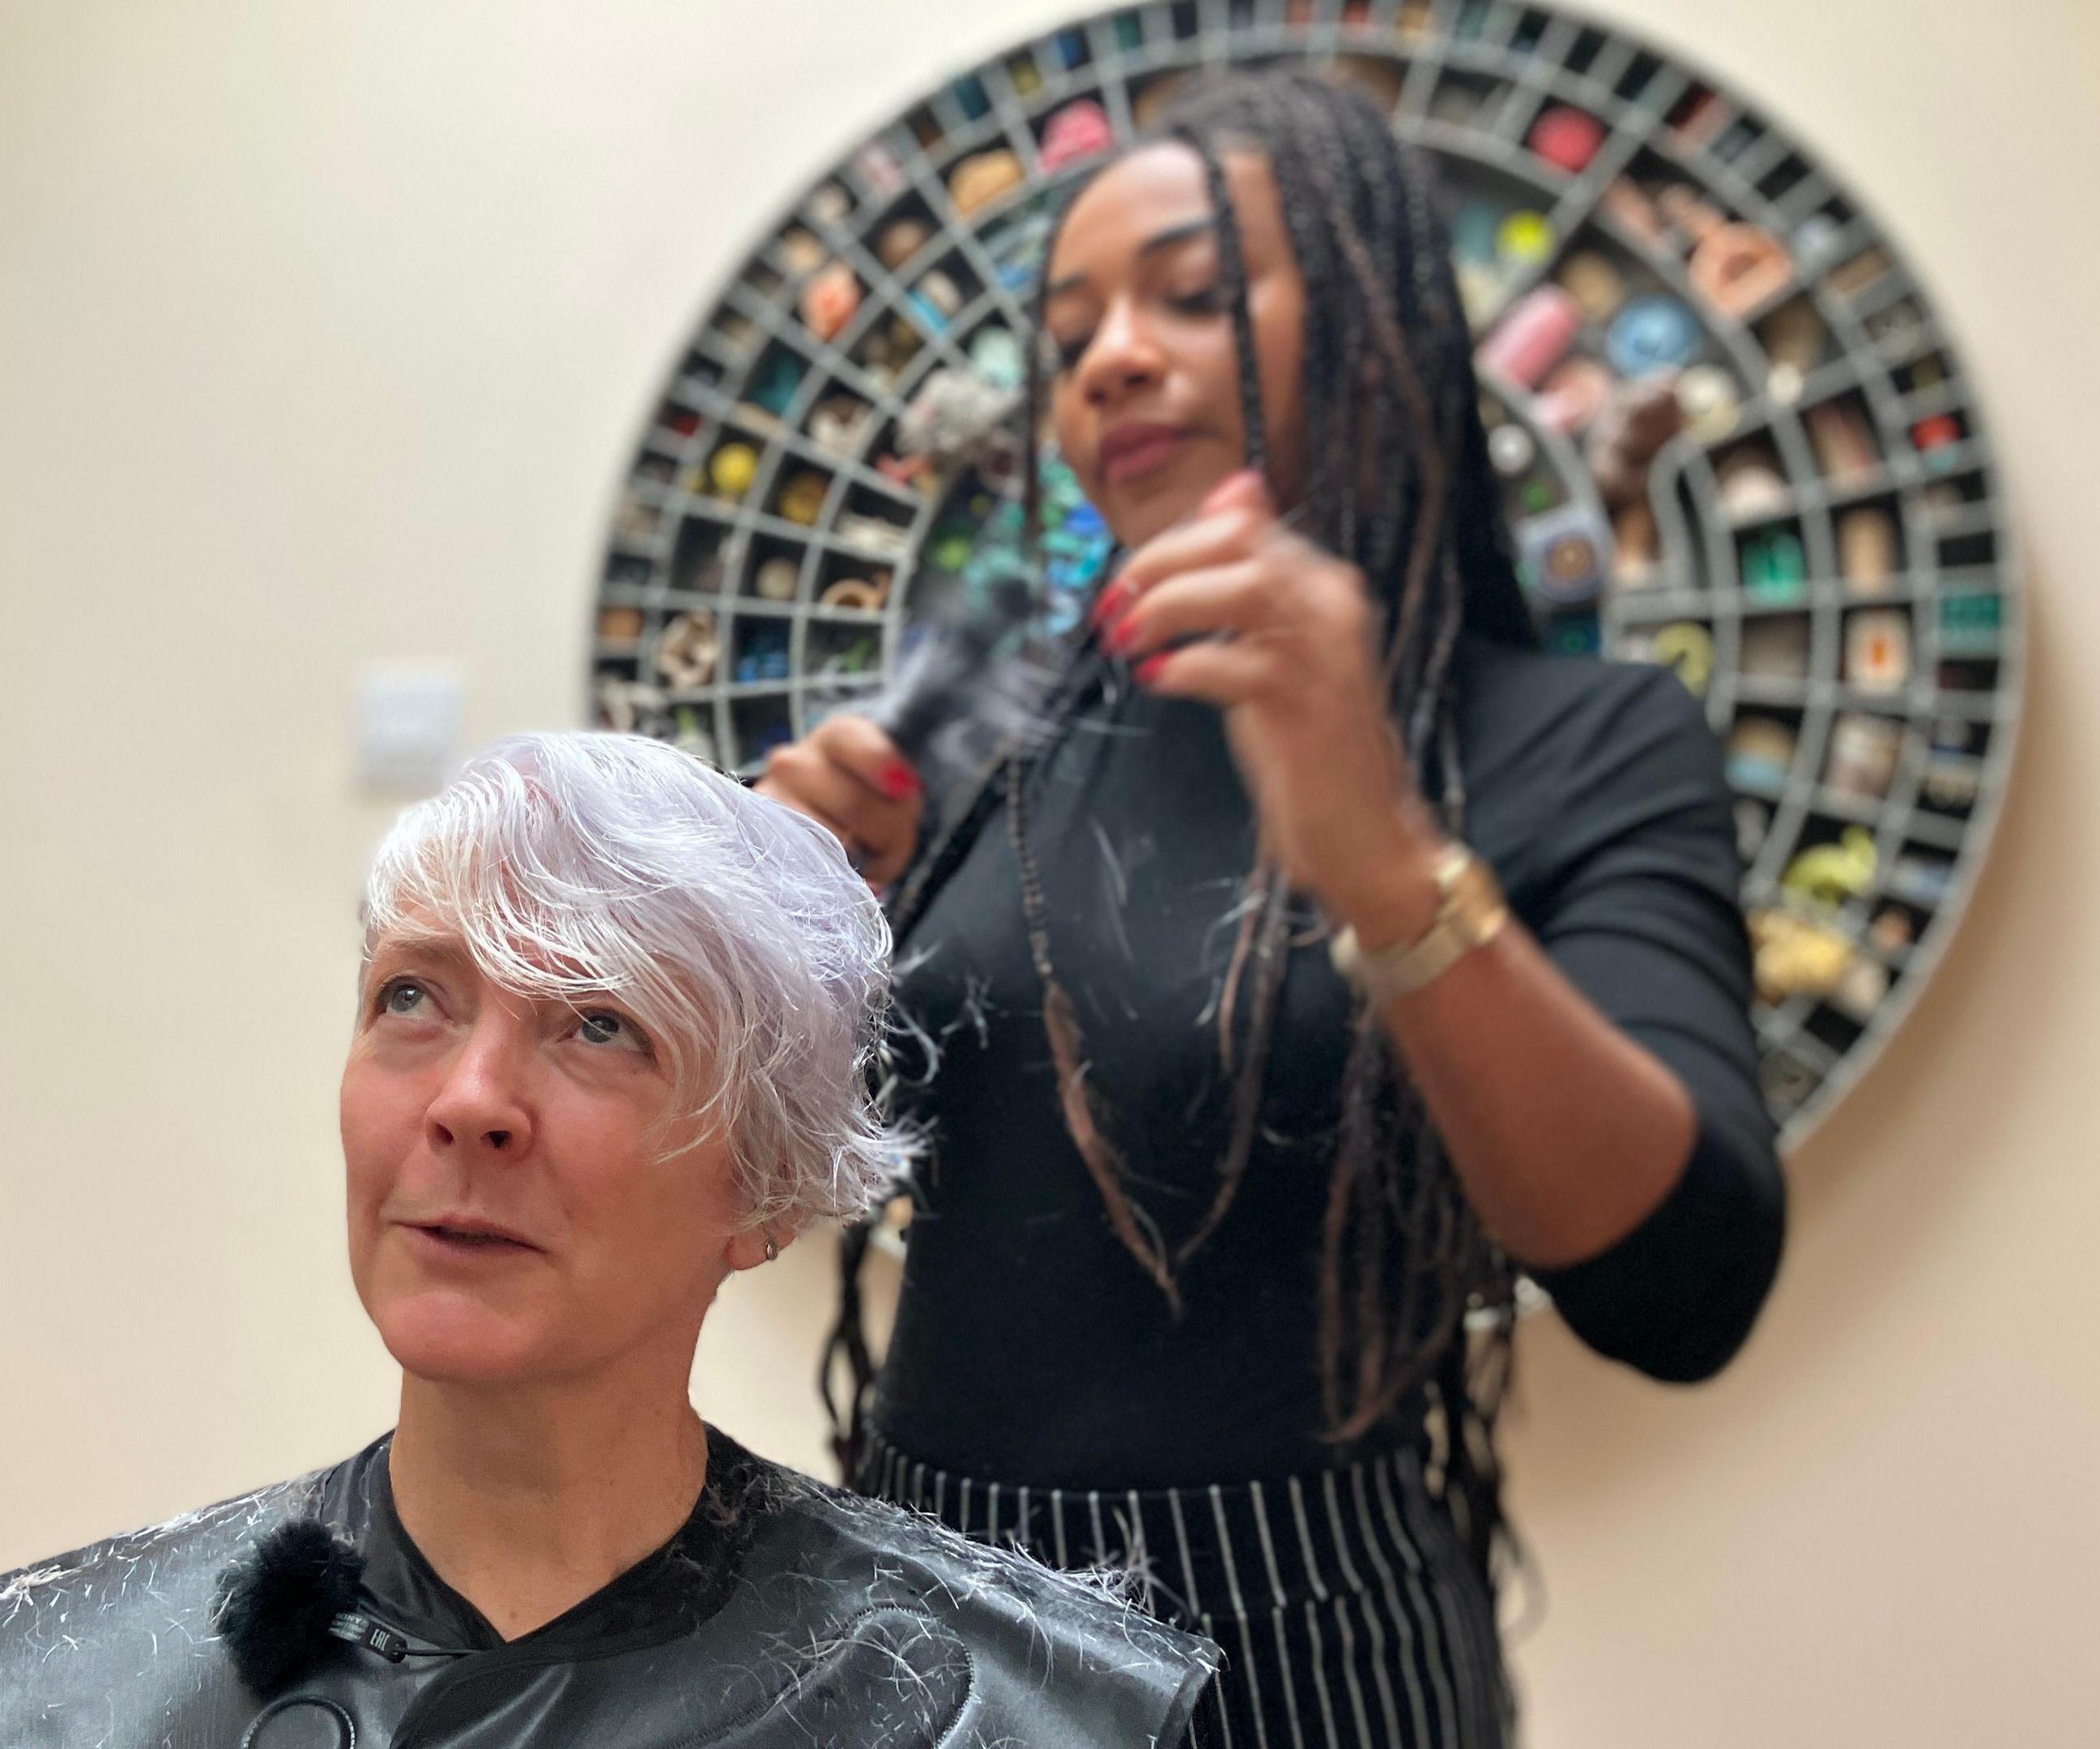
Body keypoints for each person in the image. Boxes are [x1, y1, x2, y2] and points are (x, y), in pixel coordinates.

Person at [756, 71, 1786, 1749]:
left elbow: (1684, 1288)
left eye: (1193, 291)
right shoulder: (991, 724)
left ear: (1377, 320)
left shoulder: (1577, 743)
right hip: (912, 1615)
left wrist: (1384, 861)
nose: (1112, 356)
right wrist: (773, 946)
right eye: (1073, 324)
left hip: (1310, 1651)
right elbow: (794, 1178)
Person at [0, 732, 1218, 1748]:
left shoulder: (1007, 1708)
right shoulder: (70, 1697)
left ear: (764, 1188)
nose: (469, 1102)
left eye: (601, 1027)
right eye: (412, 997)